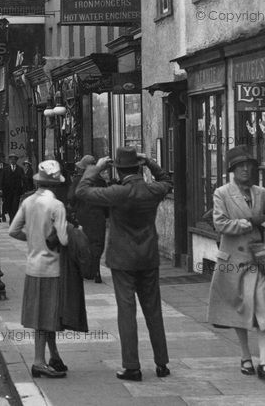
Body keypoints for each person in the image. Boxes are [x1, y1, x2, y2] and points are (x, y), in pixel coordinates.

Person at [75, 147, 172, 381]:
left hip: (122, 259)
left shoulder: (117, 192)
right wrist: (150, 162)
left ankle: (132, 366)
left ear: (118, 169)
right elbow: (167, 181)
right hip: (148, 257)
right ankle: (162, 363)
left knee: (126, 312)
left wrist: (96, 168)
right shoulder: (152, 190)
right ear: (139, 167)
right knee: (153, 310)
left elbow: (82, 190)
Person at [208, 145, 265, 381]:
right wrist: (251, 221)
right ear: (232, 169)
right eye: (239, 166)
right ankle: (245, 356)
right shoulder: (221, 193)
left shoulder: (261, 192)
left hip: (258, 260)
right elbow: (221, 224)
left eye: (248, 165)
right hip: (233, 260)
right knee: (238, 309)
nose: (244, 170)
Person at [9, 160, 70, 379]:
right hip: (52, 268)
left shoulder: (28, 202)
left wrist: (33, 239)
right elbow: (63, 239)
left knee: (45, 315)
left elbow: (13, 231)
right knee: (46, 317)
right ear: (55, 185)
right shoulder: (57, 206)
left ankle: (54, 355)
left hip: (32, 266)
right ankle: (38, 362)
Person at [68, 155, 108, 283]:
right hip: (98, 216)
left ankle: (86, 269)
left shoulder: (78, 180)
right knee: (97, 243)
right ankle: (96, 270)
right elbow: (107, 199)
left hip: (82, 216)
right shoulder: (101, 181)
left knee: (84, 243)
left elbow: (71, 198)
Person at [2, 153, 26, 221]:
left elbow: (24, 180)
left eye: (14, 159)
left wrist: (24, 189)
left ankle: (12, 219)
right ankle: (11, 217)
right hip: (7, 191)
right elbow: (2, 179)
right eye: (11, 159)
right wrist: (0, 188)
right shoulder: (5, 169)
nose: (12, 161)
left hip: (17, 191)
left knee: (15, 206)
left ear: (16, 160)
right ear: (10, 160)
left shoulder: (20, 169)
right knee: (9, 205)